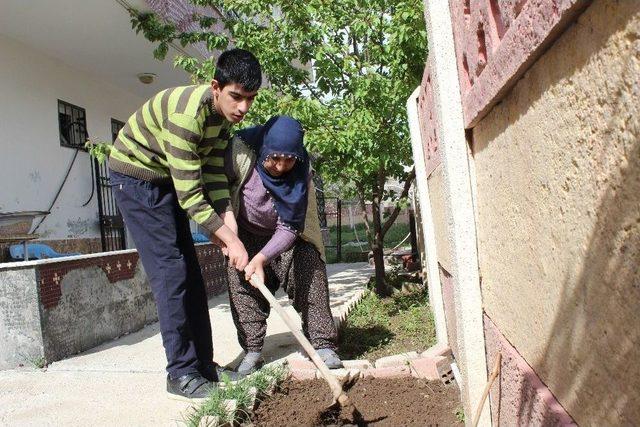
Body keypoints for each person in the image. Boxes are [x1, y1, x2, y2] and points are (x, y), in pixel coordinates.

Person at [108, 48, 261, 402]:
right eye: (236, 97)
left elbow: (212, 176)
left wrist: (229, 223)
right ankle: (181, 372)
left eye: (249, 100)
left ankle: (203, 366)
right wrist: (229, 241)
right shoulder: (186, 115)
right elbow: (191, 197)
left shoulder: (223, 120)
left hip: (165, 179)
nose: (243, 108)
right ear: (216, 87)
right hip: (136, 179)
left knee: (190, 272)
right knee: (170, 272)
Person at [224, 115, 343, 375]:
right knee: (241, 285)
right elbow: (218, 191)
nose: (280, 166)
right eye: (274, 158)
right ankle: (252, 351)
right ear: (264, 148)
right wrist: (227, 238)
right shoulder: (241, 153)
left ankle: (323, 345)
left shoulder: (300, 171)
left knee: (310, 272)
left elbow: (290, 227)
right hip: (245, 235)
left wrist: (262, 259)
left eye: (289, 159)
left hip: (288, 238)